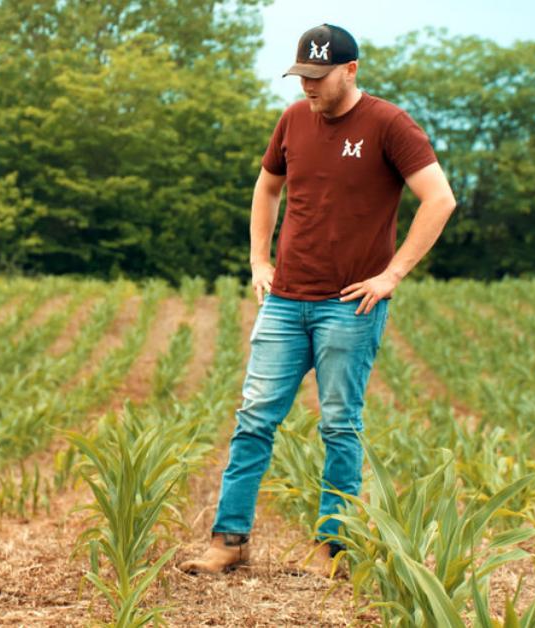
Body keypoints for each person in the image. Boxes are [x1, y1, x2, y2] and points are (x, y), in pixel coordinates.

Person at [178, 23, 456, 575]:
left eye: (317, 77)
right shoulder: (292, 120)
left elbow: (440, 199)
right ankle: (229, 541)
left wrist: (392, 274)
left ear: (350, 71)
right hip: (285, 300)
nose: (307, 86)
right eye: (301, 75)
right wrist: (260, 260)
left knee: (339, 425)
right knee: (253, 419)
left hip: (350, 305)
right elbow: (266, 187)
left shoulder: (388, 124)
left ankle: (333, 547)